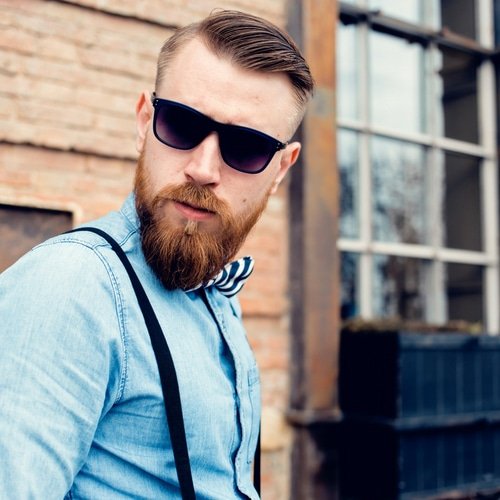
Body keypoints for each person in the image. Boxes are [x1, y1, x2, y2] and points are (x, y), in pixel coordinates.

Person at [0, 9, 313, 499]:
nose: (204, 168)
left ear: (279, 170)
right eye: (181, 124)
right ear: (145, 121)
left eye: (247, 148)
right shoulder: (70, 287)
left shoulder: (211, 289)